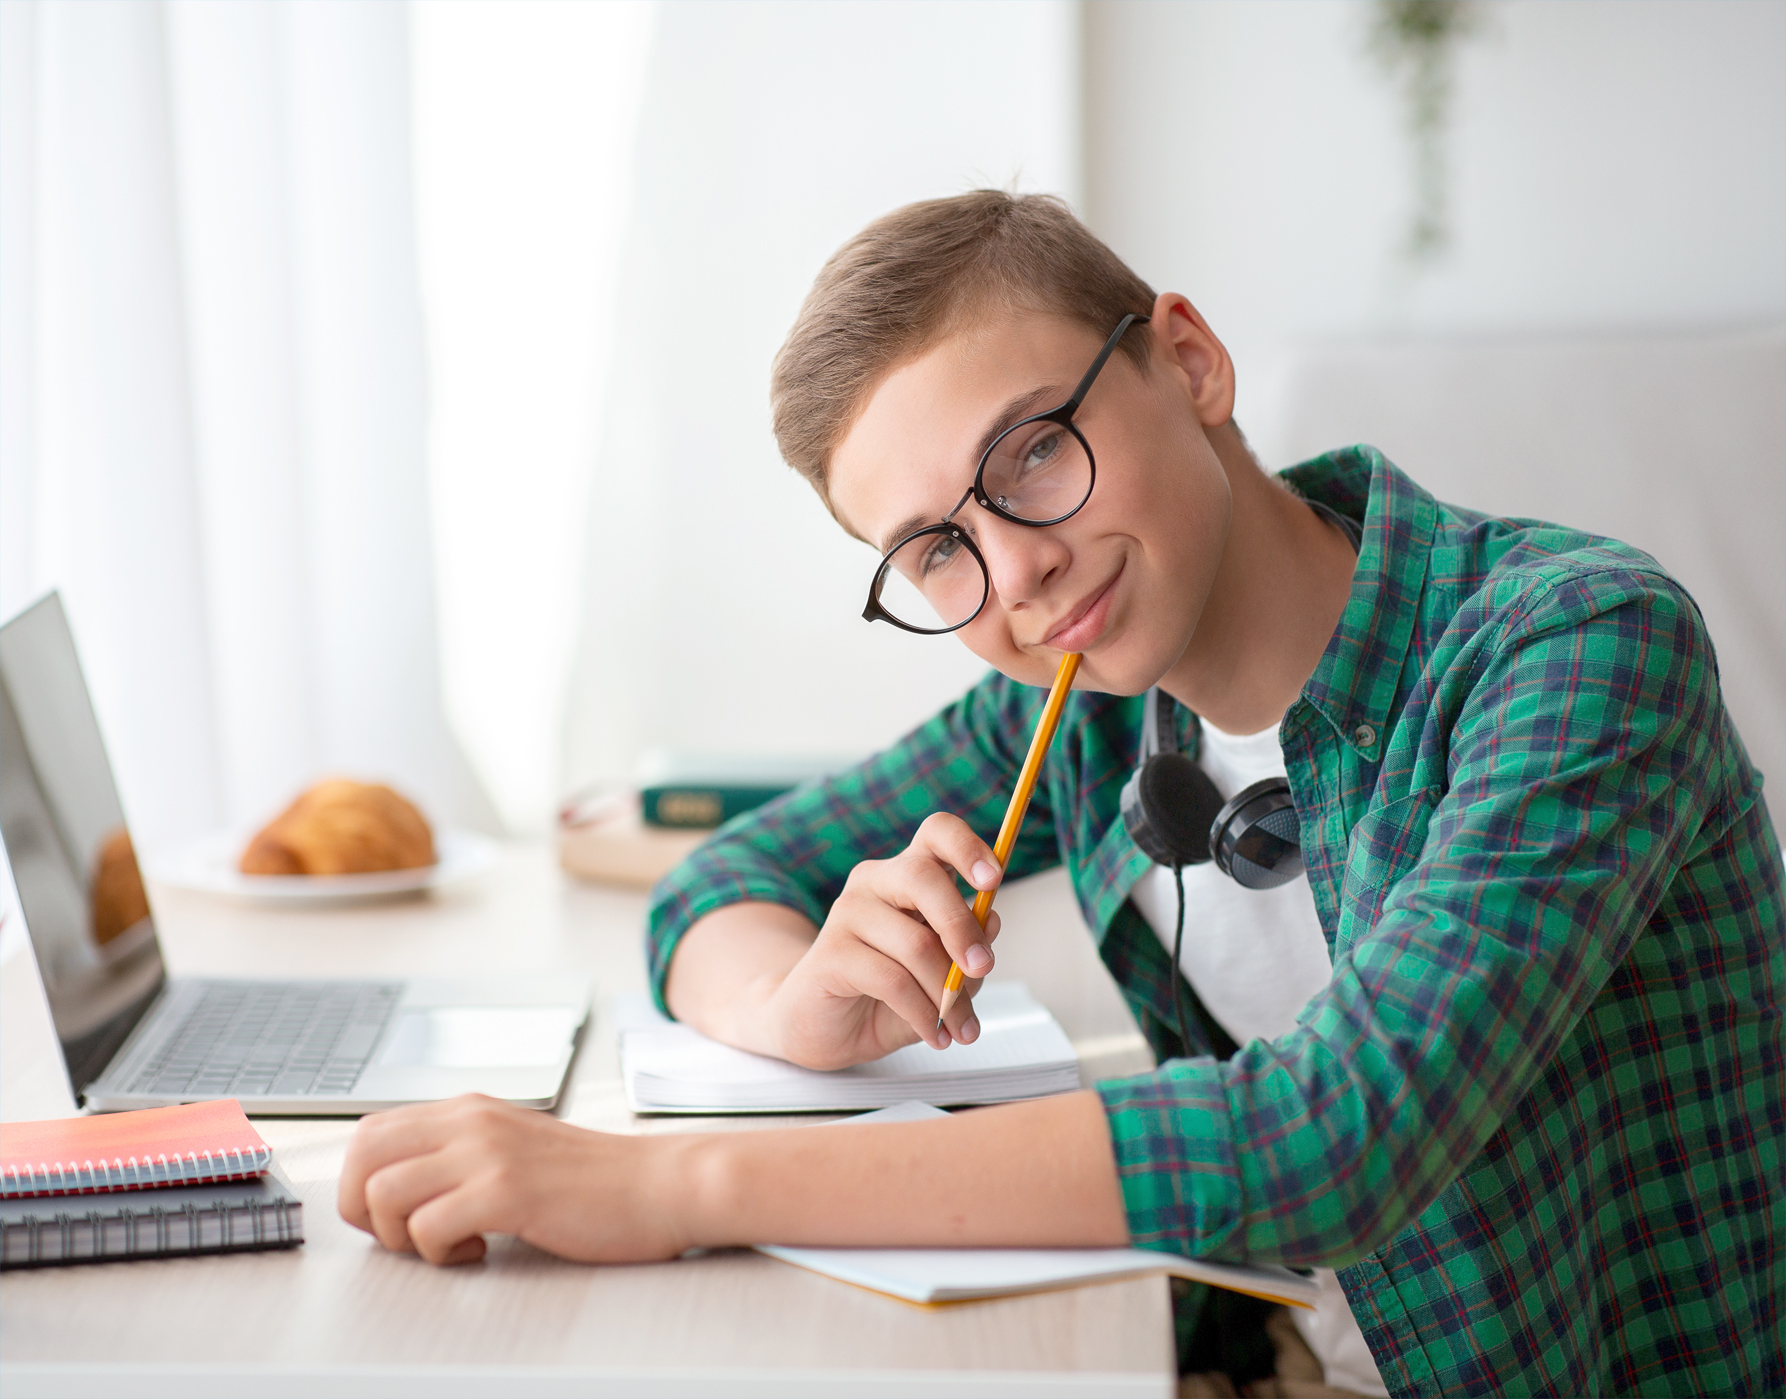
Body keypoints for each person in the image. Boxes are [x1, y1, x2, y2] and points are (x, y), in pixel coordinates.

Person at [339, 192, 1783, 1397]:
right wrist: (794, 1010)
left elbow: (1340, 1136)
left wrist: (662, 1189)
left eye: (1032, 451)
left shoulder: (1578, 645)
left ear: (1188, 362)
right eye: (932, 550)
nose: (1014, 570)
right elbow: (720, 885)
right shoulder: (1087, 710)